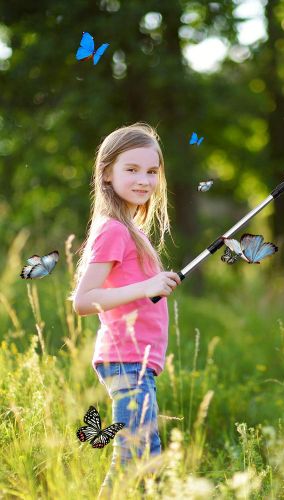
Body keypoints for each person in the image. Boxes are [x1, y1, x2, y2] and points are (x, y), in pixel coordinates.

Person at [69, 122, 181, 497]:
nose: (143, 180)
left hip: (137, 360)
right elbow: (83, 301)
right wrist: (146, 286)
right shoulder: (114, 229)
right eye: (131, 169)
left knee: (144, 462)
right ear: (106, 172)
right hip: (125, 359)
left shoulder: (132, 230)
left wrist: (153, 284)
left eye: (151, 171)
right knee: (133, 460)